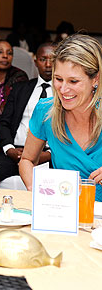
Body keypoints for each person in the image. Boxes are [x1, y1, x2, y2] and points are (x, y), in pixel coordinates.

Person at [20, 34, 102, 201]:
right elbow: (27, 160)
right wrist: (34, 187)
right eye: (58, 79)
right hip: (63, 210)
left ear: (95, 79)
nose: (63, 89)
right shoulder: (45, 111)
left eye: (73, 81)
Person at [0, 42, 55, 185]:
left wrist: (48, 155)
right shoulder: (21, 88)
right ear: (35, 62)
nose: (48, 64)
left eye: (53, 59)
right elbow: (4, 122)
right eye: (43, 59)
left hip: (49, 155)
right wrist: (9, 149)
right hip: (15, 152)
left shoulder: (65, 93)